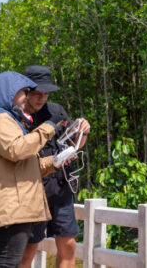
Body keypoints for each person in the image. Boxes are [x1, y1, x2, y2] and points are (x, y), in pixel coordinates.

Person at [0, 71, 67, 268]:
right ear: (9, 92)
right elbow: (17, 150)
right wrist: (49, 127)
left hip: (13, 204)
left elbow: (24, 164)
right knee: (8, 262)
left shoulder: (7, 118)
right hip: (11, 204)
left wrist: (54, 162)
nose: (26, 97)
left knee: (8, 261)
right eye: (23, 92)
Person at [17, 65, 90, 268]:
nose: (41, 98)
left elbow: (74, 144)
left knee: (68, 244)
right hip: (33, 190)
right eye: (37, 94)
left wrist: (83, 131)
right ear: (26, 92)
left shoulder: (56, 110)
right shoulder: (17, 117)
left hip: (60, 187)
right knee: (29, 248)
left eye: (46, 93)